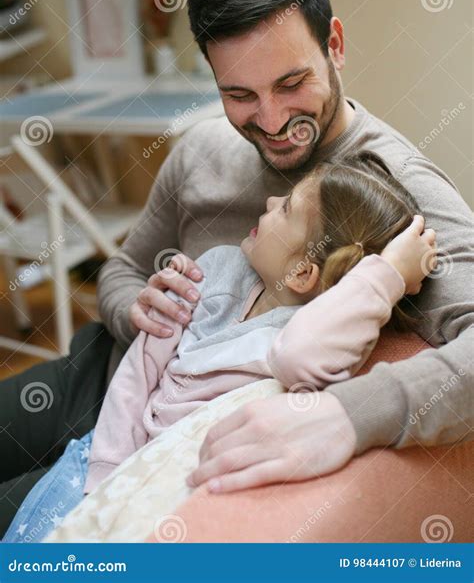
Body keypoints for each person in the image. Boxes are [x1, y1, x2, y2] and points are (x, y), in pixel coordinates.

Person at [1, 0, 472, 530]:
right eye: (239, 95)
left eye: (292, 82)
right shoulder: (202, 150)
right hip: (104, 373)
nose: (271, 121)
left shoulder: (394, 192)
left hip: (164, 441)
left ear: (335, 46)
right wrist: (137, 310)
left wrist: (348, 416)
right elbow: (121, 272)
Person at [3, 152, 437, 542]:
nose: (268, 205)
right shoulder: (214, 270)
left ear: (305, 272)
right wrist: (104, 471)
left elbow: (295, 357)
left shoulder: (323, 335)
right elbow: (140, 369)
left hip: (151, 480)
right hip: (103, 449)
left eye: (284, 208)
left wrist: (388, 274)